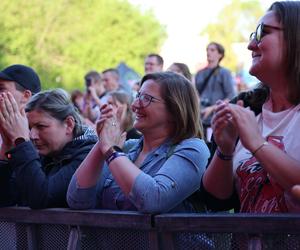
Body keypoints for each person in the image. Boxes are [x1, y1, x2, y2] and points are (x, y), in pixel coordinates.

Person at [202, 1, 300, 213]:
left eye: (262, 32)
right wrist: (225, 150)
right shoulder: (247, 105)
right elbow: (215, 198)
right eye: (252, 36)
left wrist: (257, 143)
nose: (251, 45)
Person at [67, 72, 210, 213]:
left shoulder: (193, 149)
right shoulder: (127, 148)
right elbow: (77, 199)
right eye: (138, 96)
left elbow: (153, 200)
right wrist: (103, 142)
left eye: (147, 98)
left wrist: (111, 151)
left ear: (175, 109)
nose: (135, 105)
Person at [0, 89, 97, 208]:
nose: (32, 135)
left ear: (69, 125)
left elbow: (41, 198)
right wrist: (7, 145)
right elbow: (6, 198)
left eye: (41, 126)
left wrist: (21, 141)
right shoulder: (45, 153)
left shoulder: (89, 154)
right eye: (29, 128)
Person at [195, 42, 236, 140]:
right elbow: (195, 94)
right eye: (207, 50)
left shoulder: (225, 73)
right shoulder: (199, 73)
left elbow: (231, 96)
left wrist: (212, 108)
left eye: (212, 50)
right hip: (200, 118)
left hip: (217, 119)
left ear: (220, 54)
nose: (208, 52)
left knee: (214, 148)